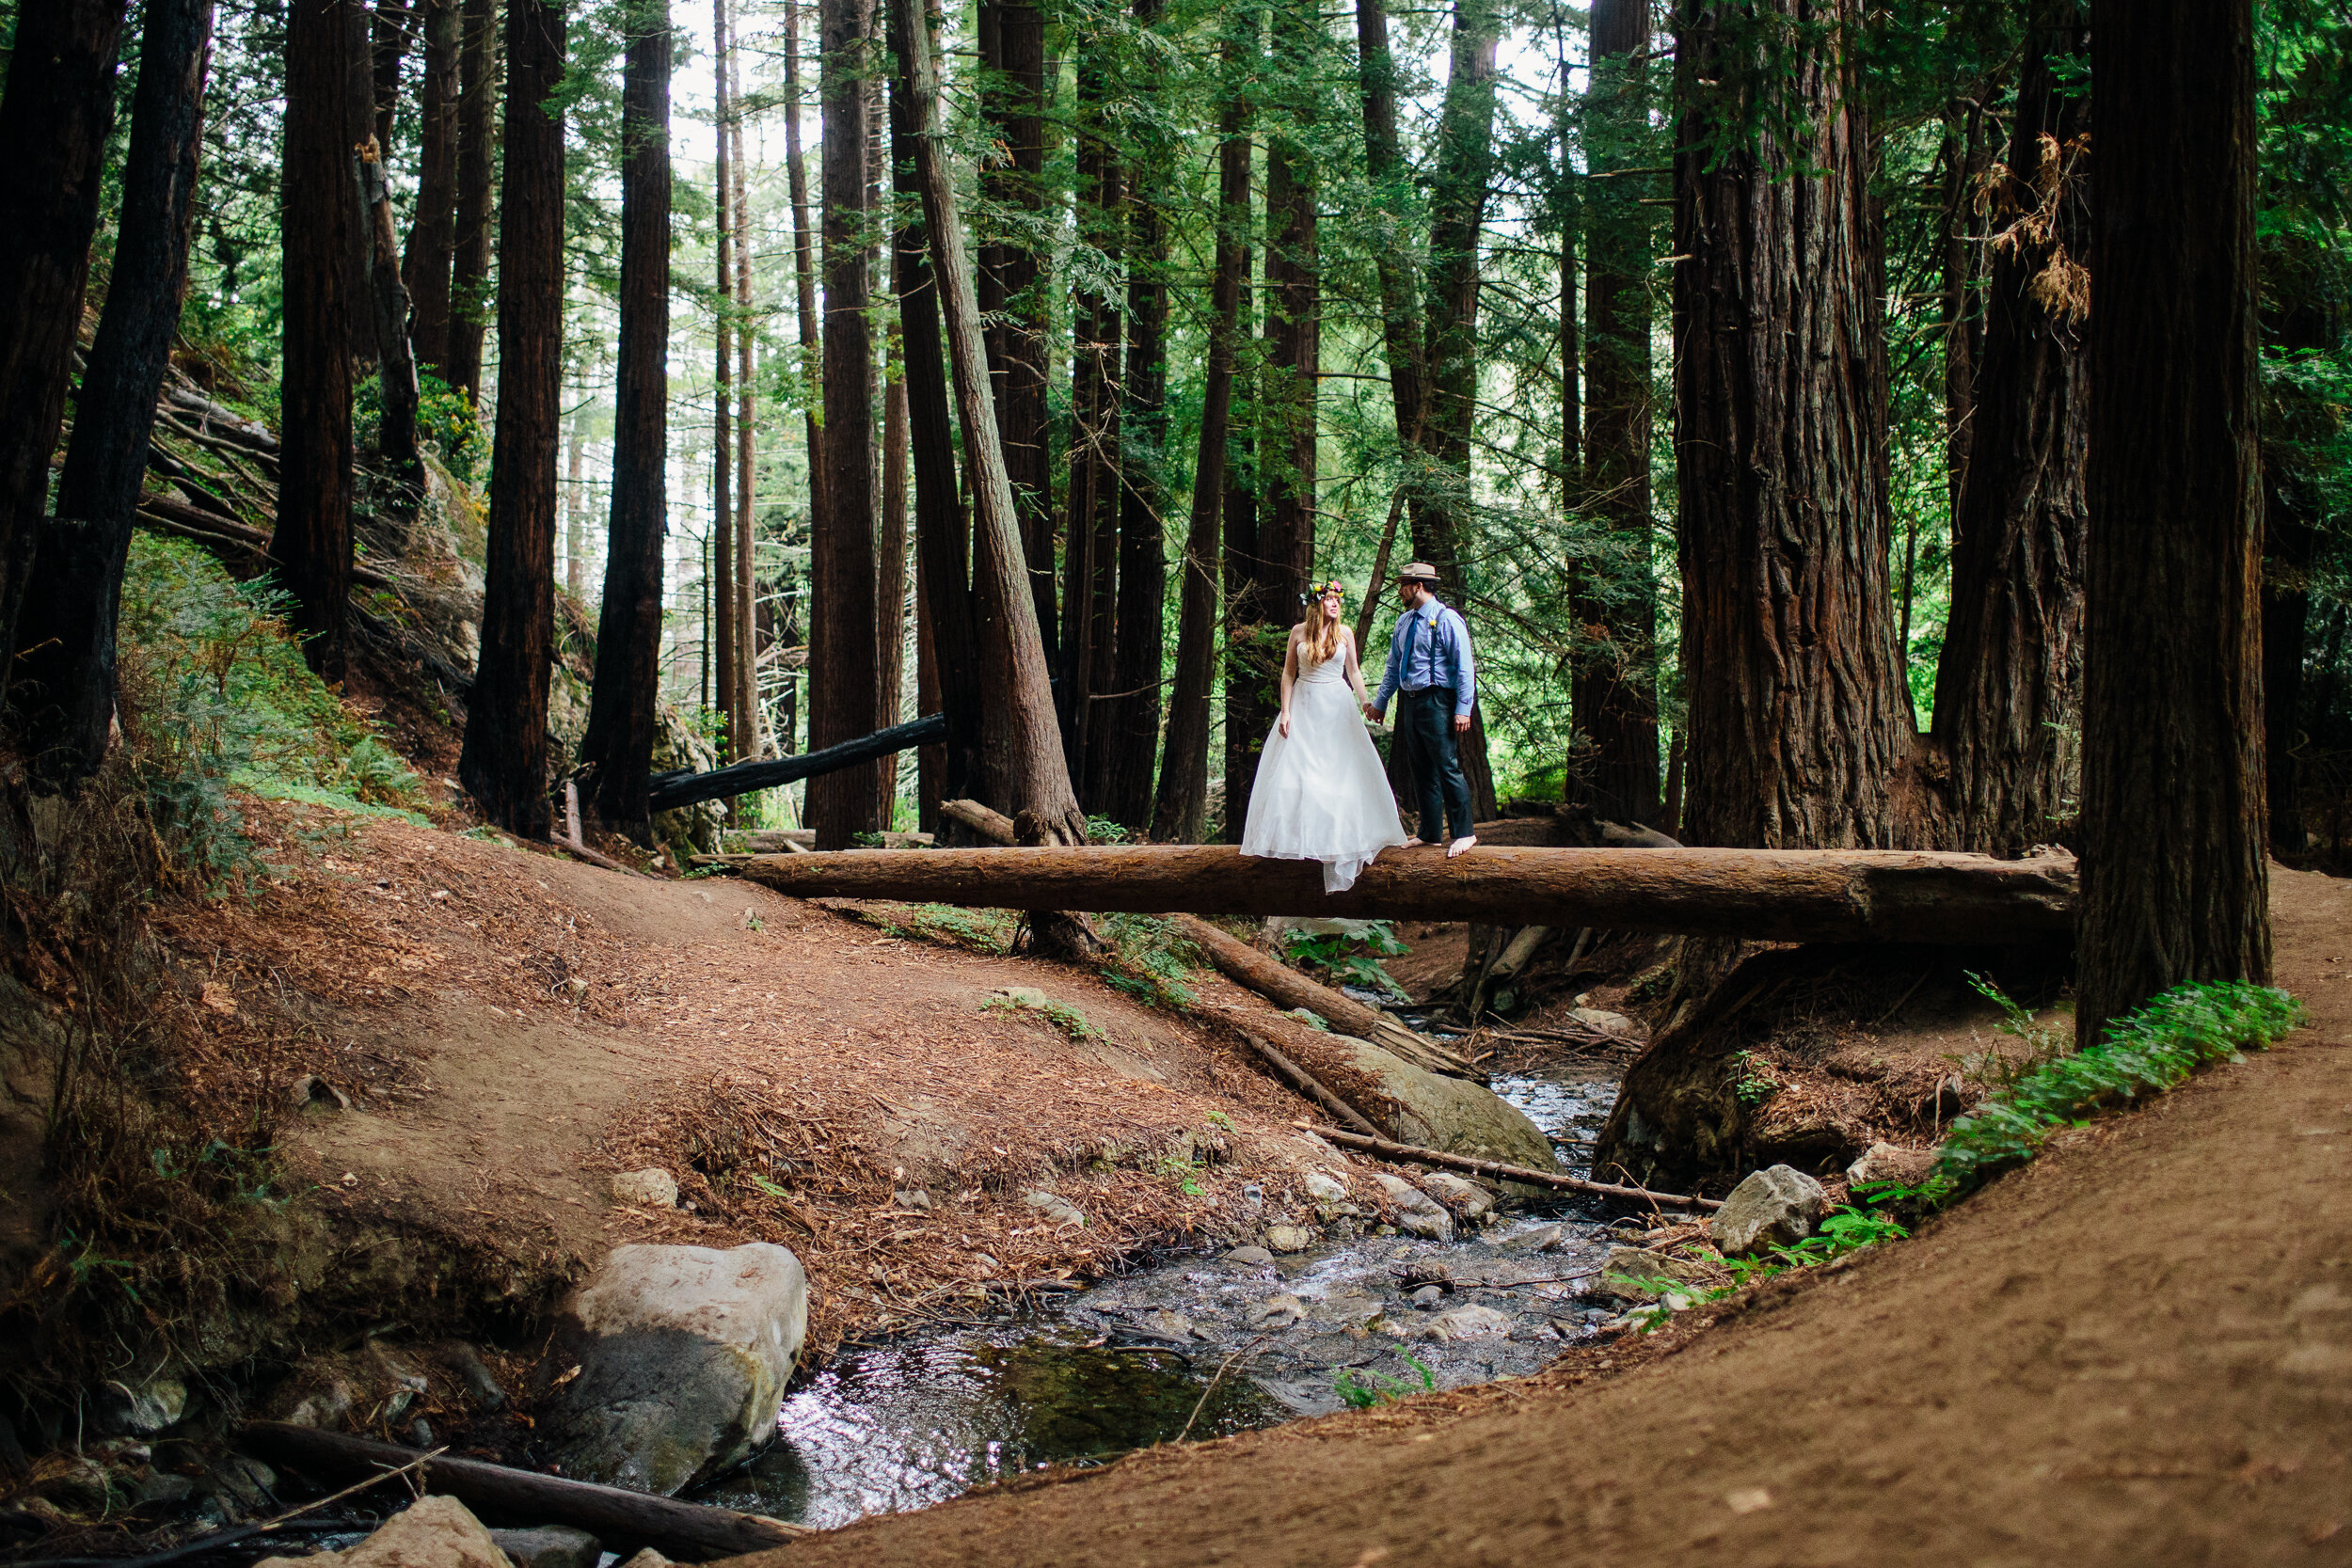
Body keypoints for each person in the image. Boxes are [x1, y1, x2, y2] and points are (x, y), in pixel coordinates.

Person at [1239, 578, 1409, 892]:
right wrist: (1286, 711)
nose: (1334, 604)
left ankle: (1339, 841)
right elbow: (1289, 673)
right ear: (1316, 604)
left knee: (1340, 772)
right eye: (1329, 599)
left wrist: (1365, 702)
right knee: (1299, 773)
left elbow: (1354, 671)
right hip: (1304, 704)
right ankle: (1299, 844)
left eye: (1338, 600)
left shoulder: (1343, 633)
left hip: (1336, 705)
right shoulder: (1298, 632)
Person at [1365, 562, 1477, 858]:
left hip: (1438, 700)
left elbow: (1464, 667)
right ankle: (1429, 833)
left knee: (1447, 766)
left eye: (1403, 584)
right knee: (1421, 769)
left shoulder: (1446, 619)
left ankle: (1465, 833)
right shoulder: (1404, 622)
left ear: (1417, 586)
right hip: (1410, 701)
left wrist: (1463, 708)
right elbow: (1393, 666)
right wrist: (1381, 702)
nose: (1399, 590)